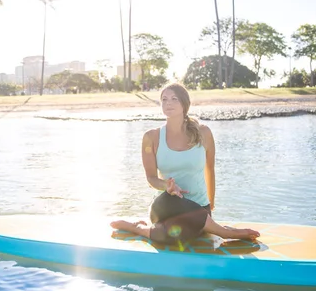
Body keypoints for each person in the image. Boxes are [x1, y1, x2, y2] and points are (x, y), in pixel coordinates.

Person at [111, 82, 260, 245]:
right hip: (165, 206)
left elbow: (210, 169)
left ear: (184, 104)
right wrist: (166, 186)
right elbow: (151, 178)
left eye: (174, 99)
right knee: (171, 202)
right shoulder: (151, 137)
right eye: (164, 99)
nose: (168, 103)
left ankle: (138, 228)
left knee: (177, 235)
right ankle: (223, 231)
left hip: (199, 207)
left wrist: (211, 204)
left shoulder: (204, 133)